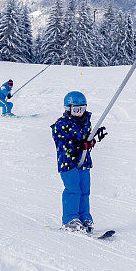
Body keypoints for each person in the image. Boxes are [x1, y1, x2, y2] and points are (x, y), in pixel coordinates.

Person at [50, 91, 107, 232]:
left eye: (82, 108)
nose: (80, 112)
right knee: (73, 189)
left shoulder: (86, 121)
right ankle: (70, 219)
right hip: (68, 163)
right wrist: (78, 144)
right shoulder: (61, 124)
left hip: (84, 162)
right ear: (68, 108)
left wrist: (94, 140)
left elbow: (87, 140)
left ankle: (84, 217)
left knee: (84, 190)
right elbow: (61, 142)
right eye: (76, 110)